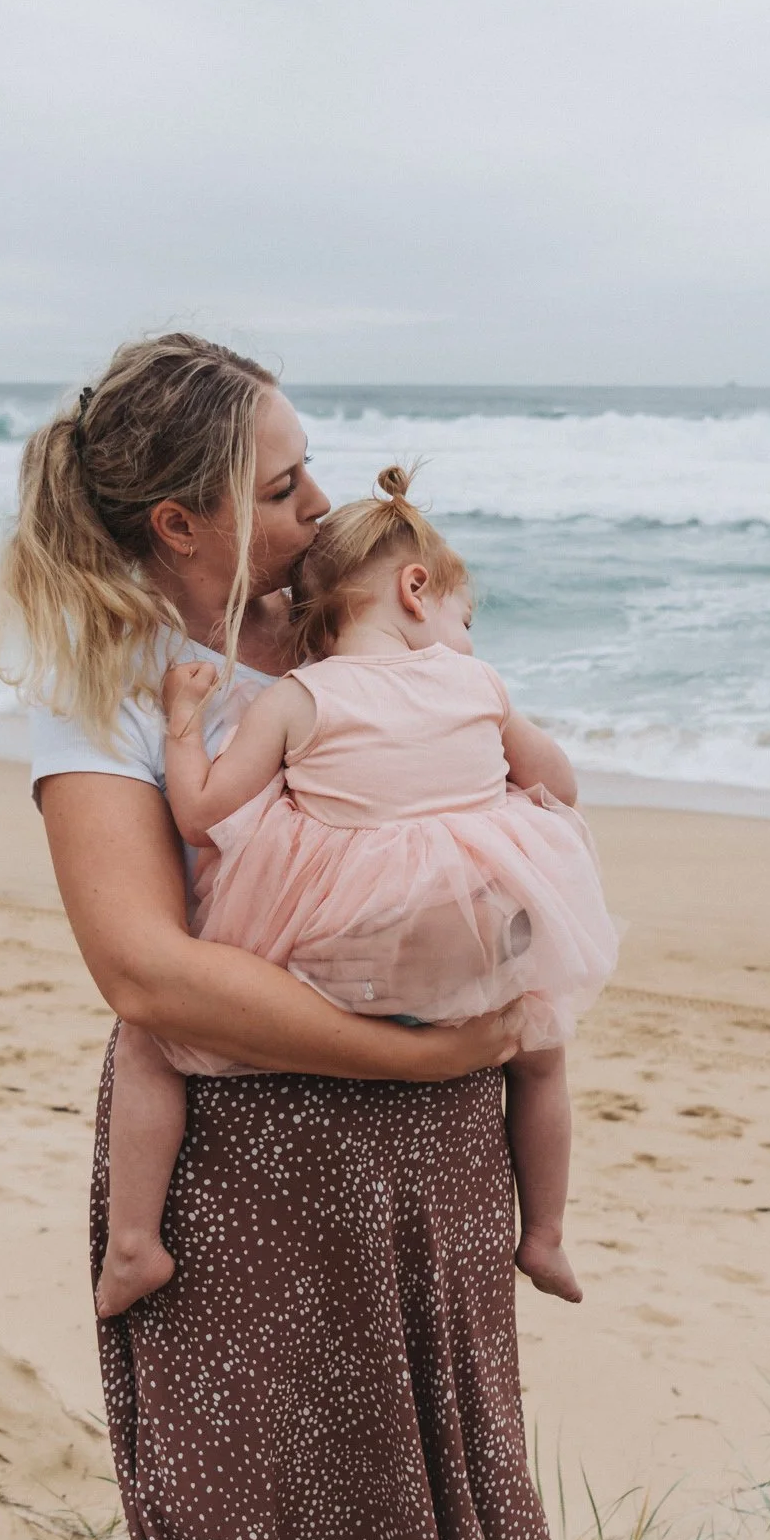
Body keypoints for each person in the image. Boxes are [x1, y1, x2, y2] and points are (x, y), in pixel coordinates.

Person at [0, 332, 575, 1540]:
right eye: (277, 486)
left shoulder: (361, 620)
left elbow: (495, 803)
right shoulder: (113, 682)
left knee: (444, 1513)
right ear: (178, 522)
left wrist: (494, 989)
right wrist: (429, 1055)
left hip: (433, 1157)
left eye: (309, 469)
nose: (313, 505)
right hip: (243, 1166)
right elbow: (147, 974)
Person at [97, 464, 618, 1320]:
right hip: (477, 950)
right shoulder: (478, 685)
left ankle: (134, 1246)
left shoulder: (301, 697)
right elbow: (558, 785)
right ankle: (546, 1234)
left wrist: (183, 720)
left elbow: (197, 816)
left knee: (152, 1038)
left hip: (349, 954)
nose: (466, 636)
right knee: (540, 1050)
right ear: (417, 590)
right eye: (465, 616)